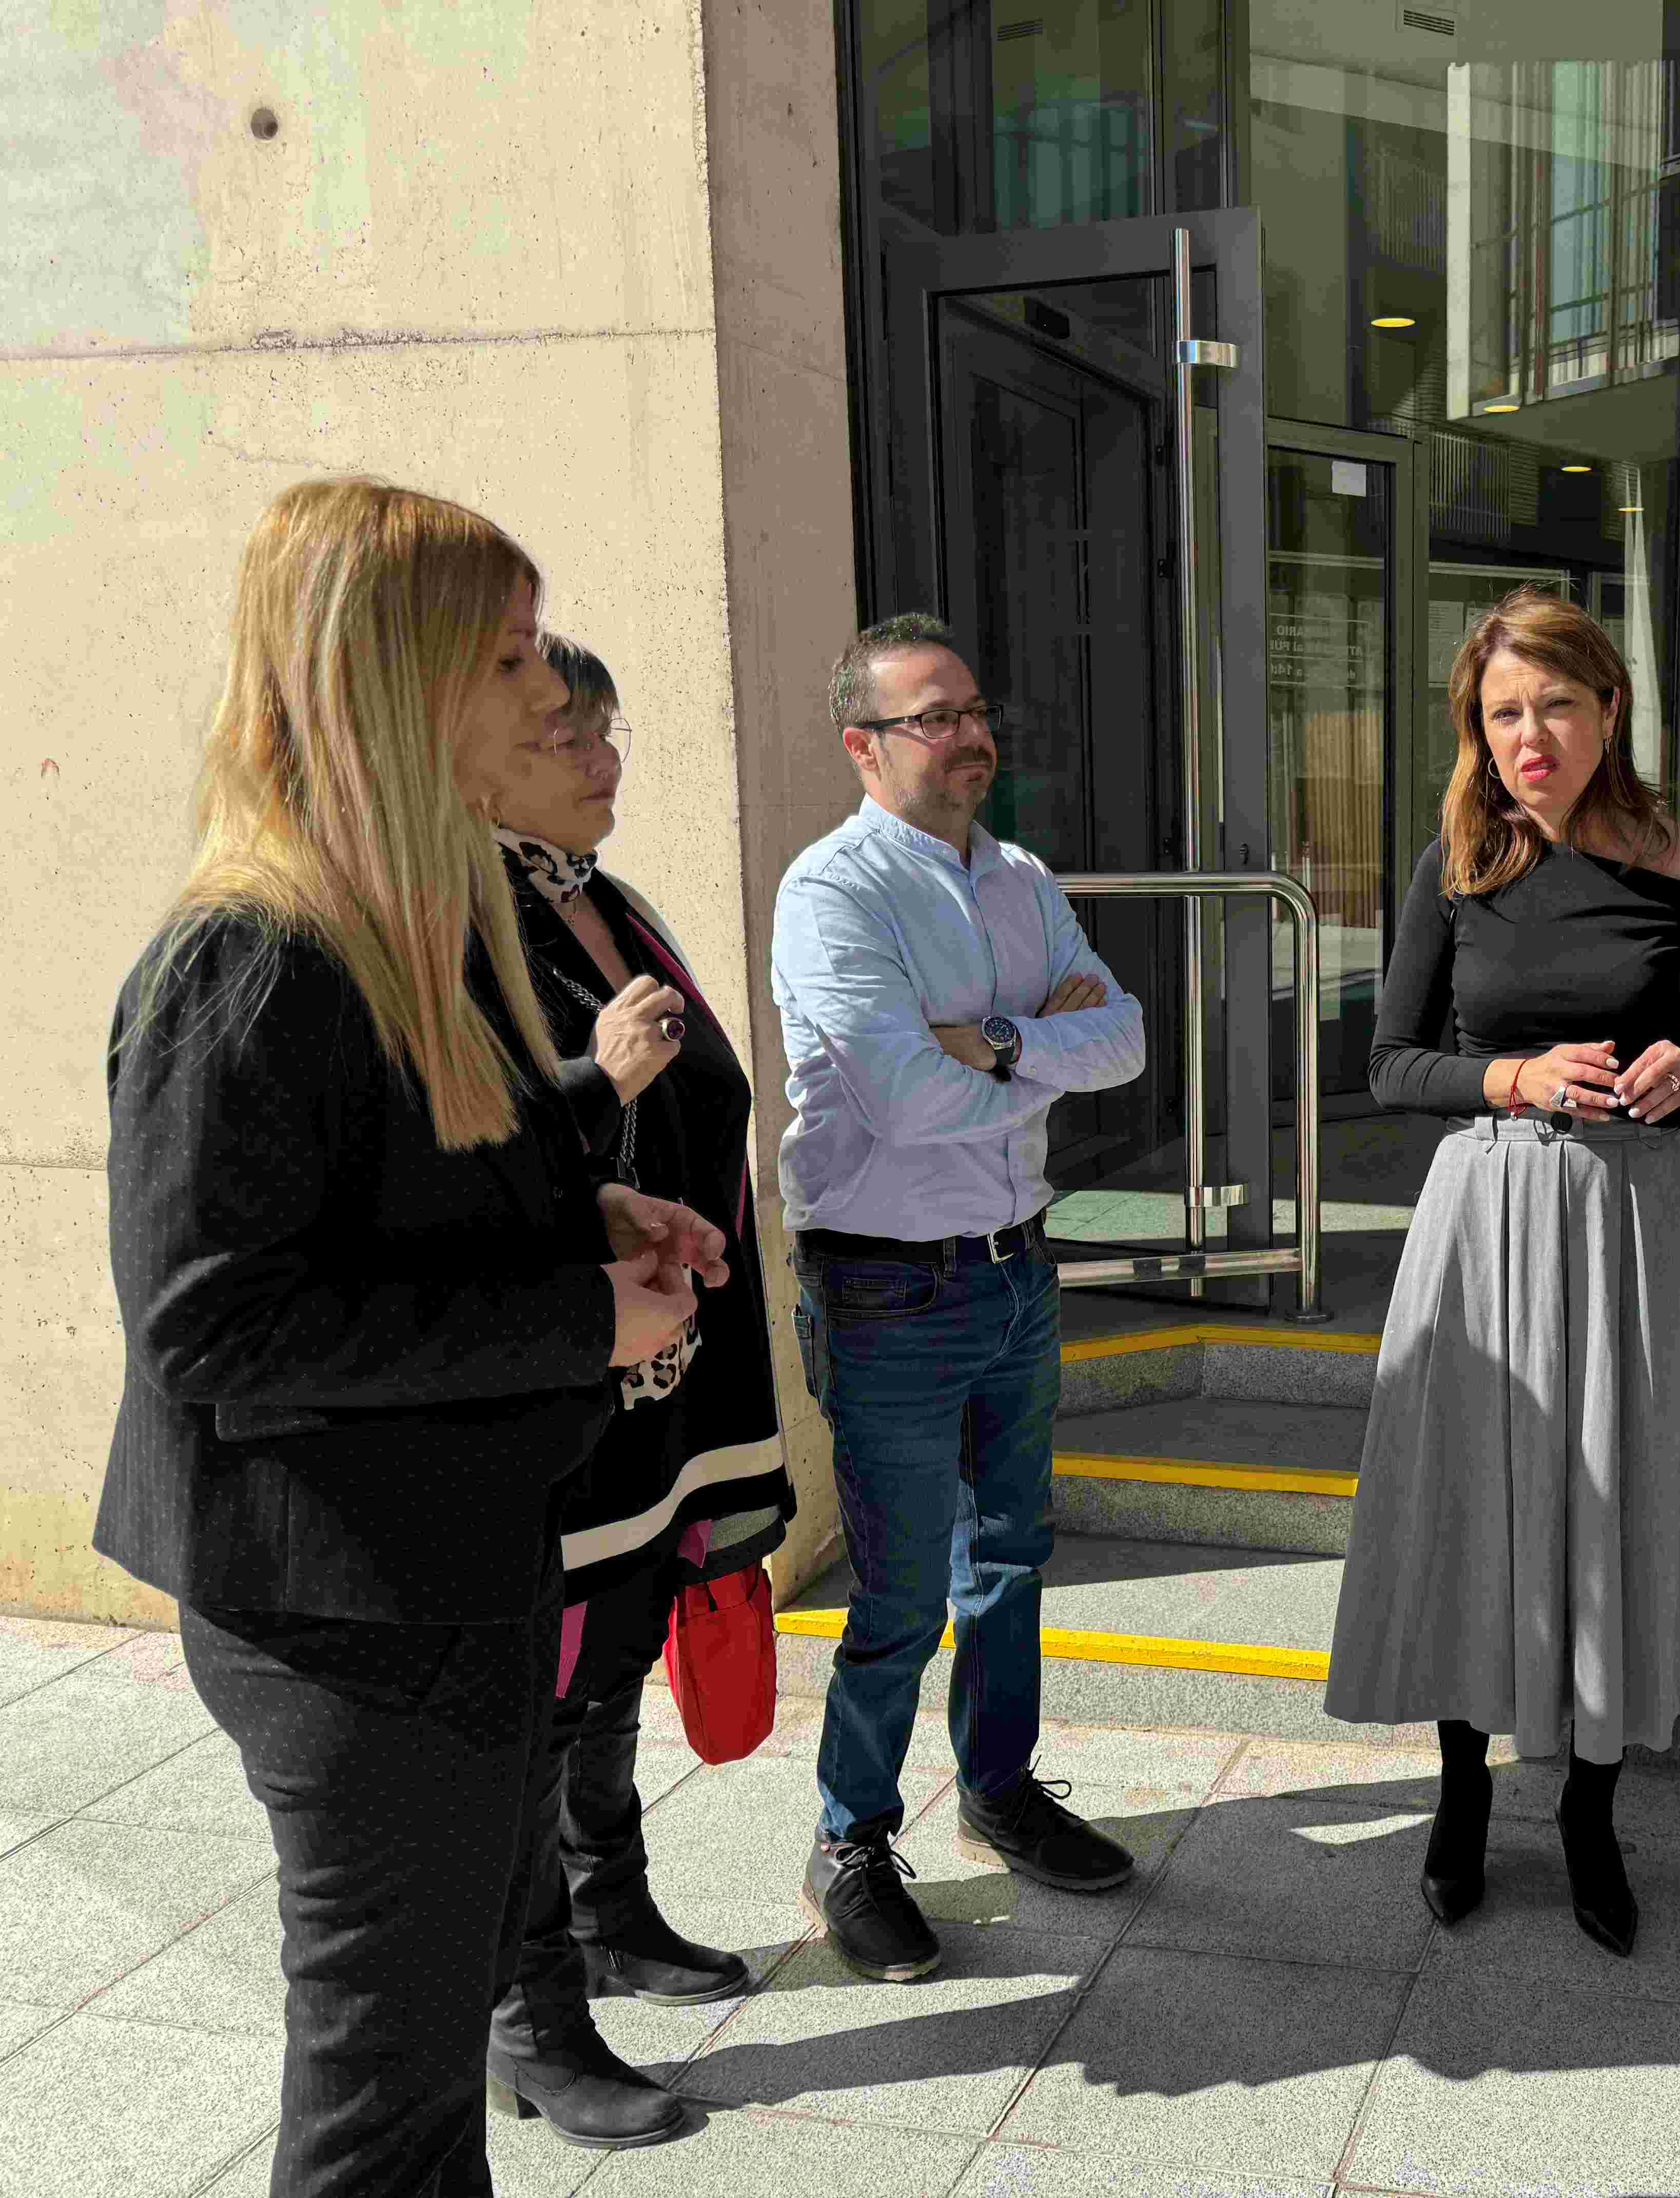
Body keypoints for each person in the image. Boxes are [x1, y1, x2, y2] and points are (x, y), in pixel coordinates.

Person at [97, 479, 719, 2197]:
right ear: (390, 678)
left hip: (440, 1580)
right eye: (510, 655)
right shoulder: (248, 959)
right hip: (354, 1622)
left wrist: (586, 1219)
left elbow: (396, 1199)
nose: (551, 697)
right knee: (385, 2111)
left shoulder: (401, 928)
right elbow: (215, 1325)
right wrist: (579, 1308)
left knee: (424, 2084)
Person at [1324, 584, 1680, 1958]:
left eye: (1556, 706)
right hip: (1493, 1217)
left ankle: (1593, 1803)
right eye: (1504, 711)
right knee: (1480, 1497)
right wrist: (1513, 1074)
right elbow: (1390, 1065)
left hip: (1644, 1224)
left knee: (1617, 1498)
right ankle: (1464, 1787)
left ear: (1612, 710)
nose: (1530, 735)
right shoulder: (1454, 867)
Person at [770, 611, 1146, 1981]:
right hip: (888, 1294)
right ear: (864, 744)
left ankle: (998, 1787)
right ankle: (852, 1839)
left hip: (1014, 1272)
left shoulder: (1024, 878)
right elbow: (902, 1097)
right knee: (901, 1595)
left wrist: (992, 1038)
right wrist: (1045, 1040)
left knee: (1013, 1557)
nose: (972, 734)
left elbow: (1130, 1039)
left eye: (976, 709)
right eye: (936, 716)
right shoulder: (835, 893)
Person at [479, 633, 797, 2147]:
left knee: (611, 1650)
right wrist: (600, 1081)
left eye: (610, 729)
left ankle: (610, 1909)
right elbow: (474, 1165)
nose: (605, 761)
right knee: (538, 1692)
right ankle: (528, 2015)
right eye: (565, 736)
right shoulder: (464, 919)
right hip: (565, 1376)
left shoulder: (604, 898)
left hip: (665, 1367)